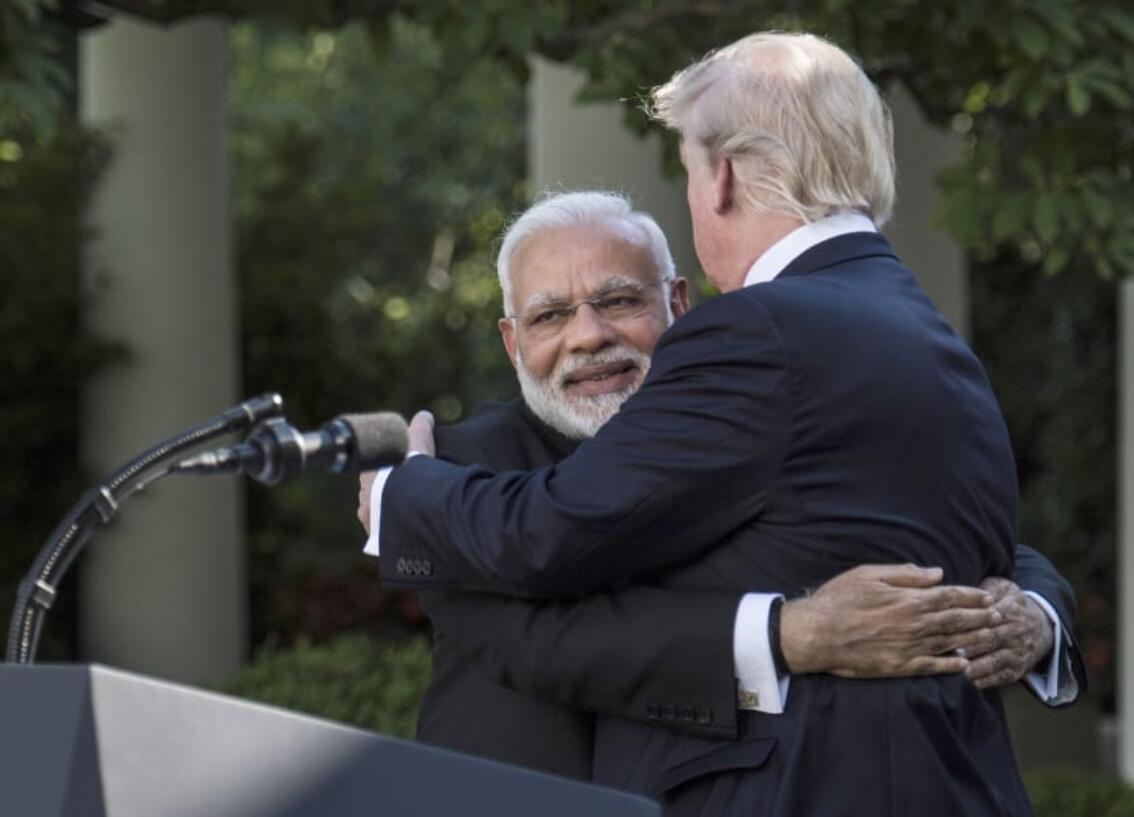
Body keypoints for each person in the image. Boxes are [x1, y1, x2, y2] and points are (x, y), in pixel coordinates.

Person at [370, 33, 1070, 814]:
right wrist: (792, 631)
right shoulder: (922, 328)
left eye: (619, 300)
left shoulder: (754, 334)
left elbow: (550, 531)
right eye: (552, 314)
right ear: (511, 338)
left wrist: (403, 491)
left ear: (724, 178)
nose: (590, 333)